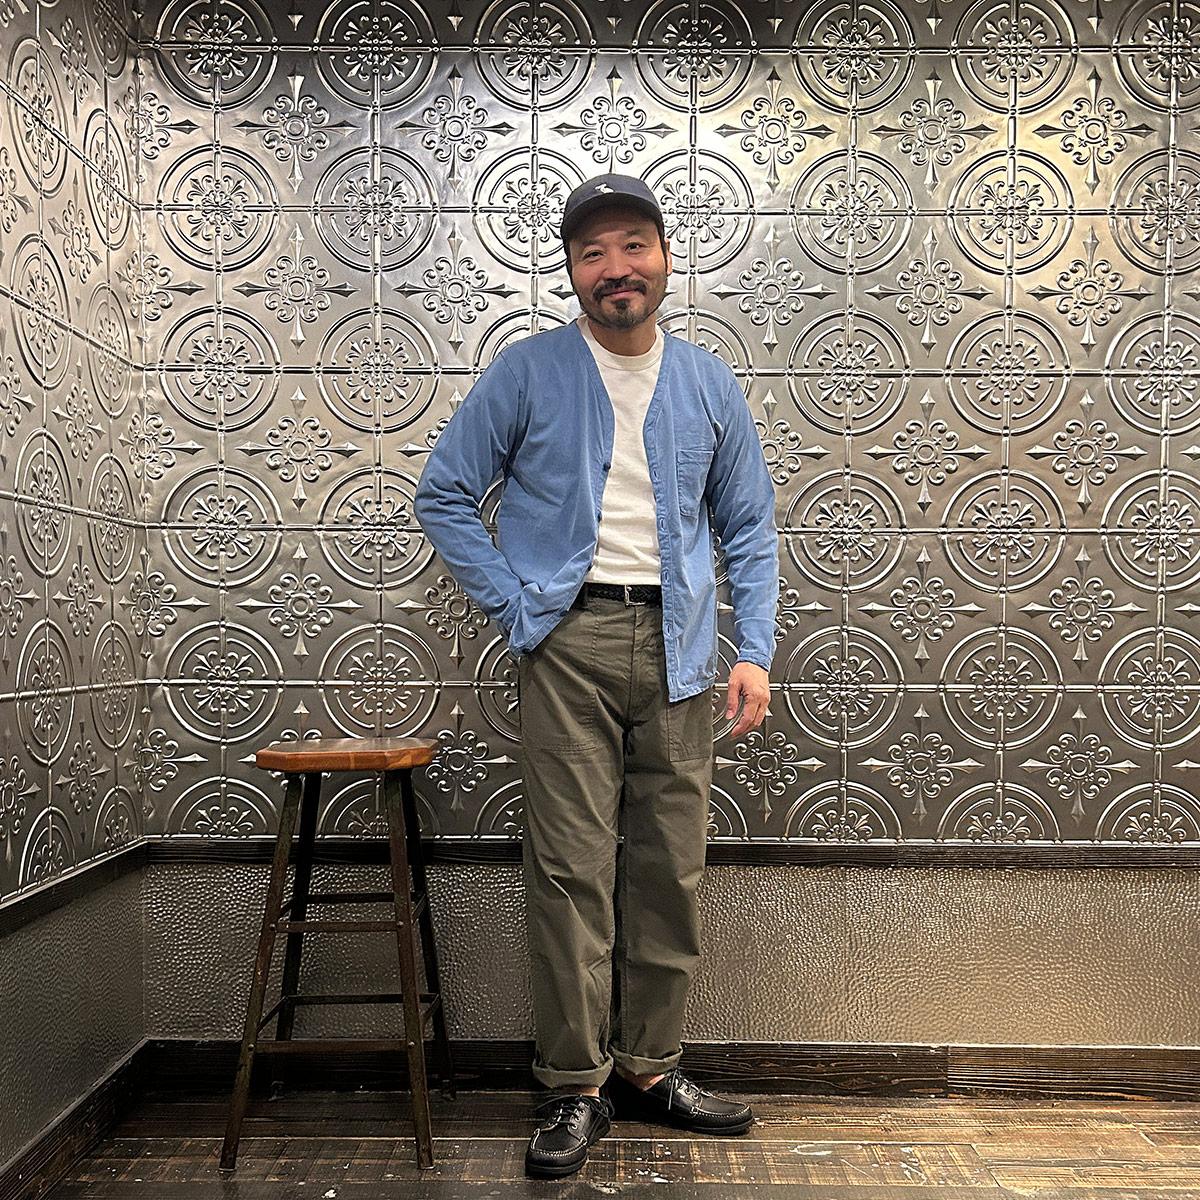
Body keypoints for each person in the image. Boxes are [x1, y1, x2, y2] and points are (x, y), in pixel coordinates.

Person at [412, 174, 778, 1178]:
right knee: (571, 869)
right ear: (572, 270)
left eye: (632, 246)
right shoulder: (527, 371)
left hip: (684, 649)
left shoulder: (708, 382)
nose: (615, 268)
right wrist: (519, 604)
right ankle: (574, 1086)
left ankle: (650, 1069)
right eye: (592, 253)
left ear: (664, 256)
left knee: (669, 869)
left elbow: (748, 526)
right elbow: (444, 493)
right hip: (567, 645)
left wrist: (753, 651)